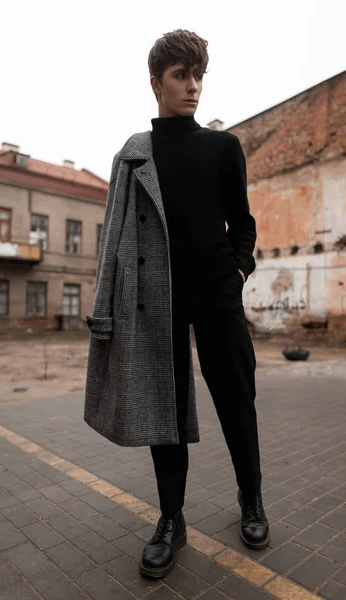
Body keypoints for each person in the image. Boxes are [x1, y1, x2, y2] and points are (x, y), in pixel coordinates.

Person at [84, 29, 269, 581]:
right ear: (156, 83)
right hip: (153, 299)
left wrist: (237, 272)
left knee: (237, 398)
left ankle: (252, 500)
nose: (193, 87)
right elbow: (114, 238)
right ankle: (171, 519)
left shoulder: (222, 147)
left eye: (198, 76)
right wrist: (108, 310)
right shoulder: (133, 154)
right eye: (181, 76)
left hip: (216, 291)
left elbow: (244, 223)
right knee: (164, 412)